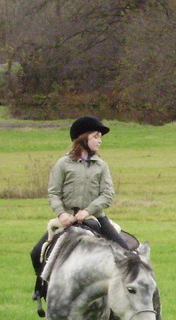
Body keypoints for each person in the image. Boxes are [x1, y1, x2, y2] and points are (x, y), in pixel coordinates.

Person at [31, 115, 128, 306]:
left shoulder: (101, 166)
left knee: (126, 253)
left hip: (96, 218)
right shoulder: (63, 164)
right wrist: (62, 213)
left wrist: (89, 210)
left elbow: (108, 194)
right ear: (83, 138)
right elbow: (53, 192)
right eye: (96, 136)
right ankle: (44, 291)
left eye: (100, 137)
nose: (100, 141)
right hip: (66, 220)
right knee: (36, 253)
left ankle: (126, 301)